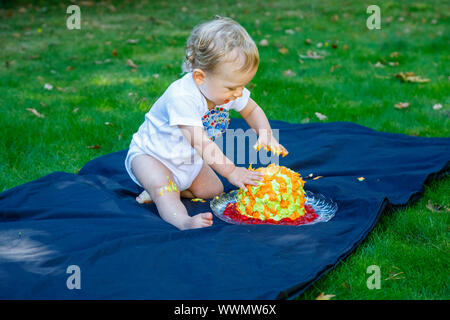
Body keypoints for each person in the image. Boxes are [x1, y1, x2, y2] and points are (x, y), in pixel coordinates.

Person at [125, 16, 287, 230]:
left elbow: (252, 109)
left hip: (188, 160)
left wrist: (265, 133)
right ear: (200, 77)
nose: (239, 93)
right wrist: (231, 171)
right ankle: (181, 219)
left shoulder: (227, 87)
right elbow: (200, 142)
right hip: (152, 156)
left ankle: (170, 188)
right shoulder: (181, 97)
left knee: (213, 191)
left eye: (243, 86)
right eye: (232, 88)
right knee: (164, 190)